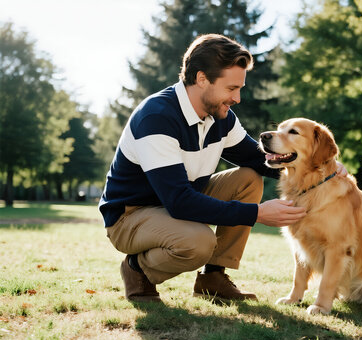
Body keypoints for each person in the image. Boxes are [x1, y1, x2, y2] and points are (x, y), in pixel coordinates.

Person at [99, 34, 346, 303]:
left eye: (239, 88)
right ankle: (138, 271)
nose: (237, 98)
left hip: (176, 204)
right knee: (199, 242)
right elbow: (179, 202)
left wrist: (322, 166)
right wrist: (257, 213)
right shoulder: (157, 117)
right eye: (231, 88)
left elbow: (259, 160)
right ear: (202, 79)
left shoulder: (221, 117)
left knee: (249, 178)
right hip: (131, 215)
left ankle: (213, 278)